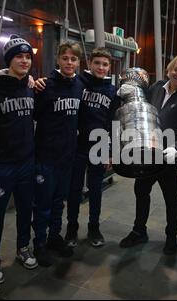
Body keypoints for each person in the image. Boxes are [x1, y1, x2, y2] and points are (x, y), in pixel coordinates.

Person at [119, 53, 177, 255]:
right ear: (169, 69)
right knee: (141, 192)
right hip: (146, 152)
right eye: (176, 69)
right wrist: (124, 92)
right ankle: (139, 231)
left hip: (169, 158)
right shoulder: (156, 87)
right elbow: (137, 102)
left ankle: (171, 237)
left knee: (171, 199)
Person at [0, 35, 37, 283]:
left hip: (26, 161)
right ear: (9, 60)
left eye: (28, 57)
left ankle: (22, 247)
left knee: (26, 208)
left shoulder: (31, 86)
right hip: (1, 162)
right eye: (19, 57)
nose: (24, 61)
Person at [31, 42, 84, 266]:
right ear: (58, 60)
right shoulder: (45, 85)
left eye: (73, 59)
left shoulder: (79, 85)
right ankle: (39, 243)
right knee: (42, 203)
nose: (69, 62)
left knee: (58, 203)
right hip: (46, 155)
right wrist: (31, 82)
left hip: (67, 156)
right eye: (65, 58)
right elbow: (32, 114)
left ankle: (54, 237)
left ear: (79, 63)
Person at [64, 48, 120, 248]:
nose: (101, 68)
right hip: (77, 146)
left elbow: (113, 123)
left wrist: (111, 152)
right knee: (74, 190)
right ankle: (71, 228)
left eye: (105, 64)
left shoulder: (112, 91)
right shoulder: (78, 83)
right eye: (97, 63)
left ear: (109, 67)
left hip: (99, 146)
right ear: (90, 63)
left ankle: (94, 228)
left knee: (96, 190)